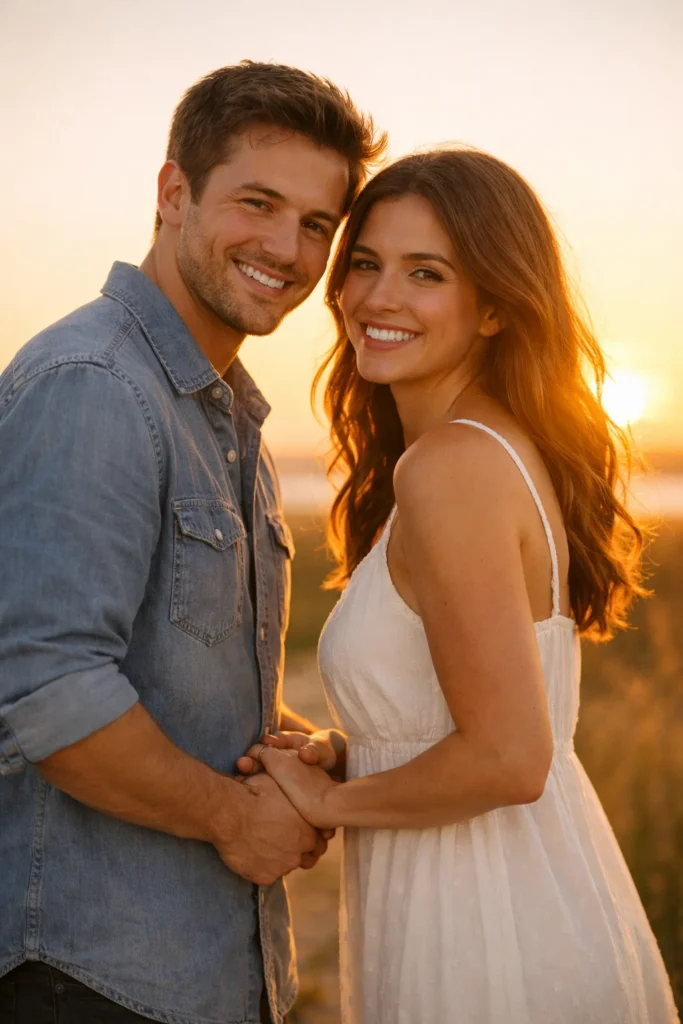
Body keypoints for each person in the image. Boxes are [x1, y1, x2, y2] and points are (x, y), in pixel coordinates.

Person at [240, 148, 680, 1023]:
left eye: (426, 273)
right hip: (516, 884)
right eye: (364, 263)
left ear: (491, 310)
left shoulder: (451, 466)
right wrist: (351, 748)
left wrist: (331, 801)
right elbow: (471, 718)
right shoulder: (487, 448)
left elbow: (507, 757)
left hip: (485, 915)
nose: (378, 297)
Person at [0, 61, 385, 1024]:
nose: (287, 249)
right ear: (174, 193)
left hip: (193, 972)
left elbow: (169, 661)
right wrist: (234, 818)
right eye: (257, 202)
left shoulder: (219, 417)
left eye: (315, 225)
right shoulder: (95, 383)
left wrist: (283, 743)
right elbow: (51, 689)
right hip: (86, 976)